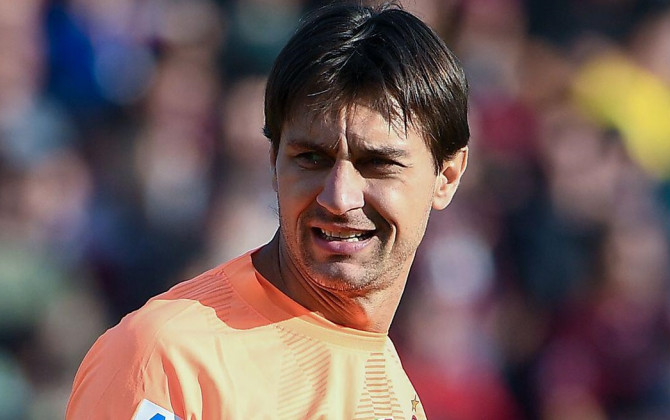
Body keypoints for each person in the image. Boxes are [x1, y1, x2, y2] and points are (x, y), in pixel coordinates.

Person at [66, 2, 470, 418]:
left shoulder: (395, 394)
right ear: (274, 161)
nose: (339, 196)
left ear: (448, 176)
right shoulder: (170, 359)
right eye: (312, 158)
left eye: (378, 164)